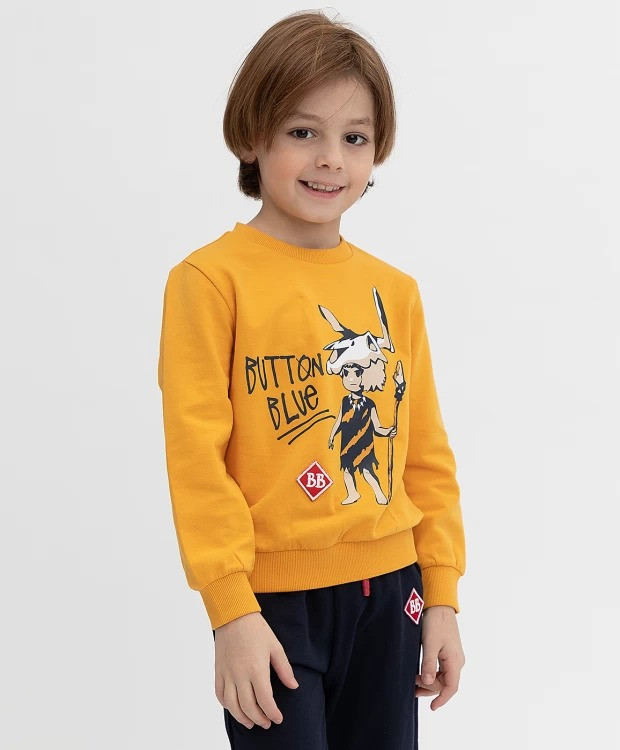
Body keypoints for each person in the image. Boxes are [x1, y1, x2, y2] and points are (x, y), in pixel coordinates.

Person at [158, 9, 466, 749]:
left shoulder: (395, 292)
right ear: (253, 135)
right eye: (303, 132)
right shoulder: (210, 282)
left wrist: (443, 595)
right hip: (271, 604)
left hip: (393, 592)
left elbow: (425, 454)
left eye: (354, 138)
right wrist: (231, 611)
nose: (330, 159)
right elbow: (197, 462)